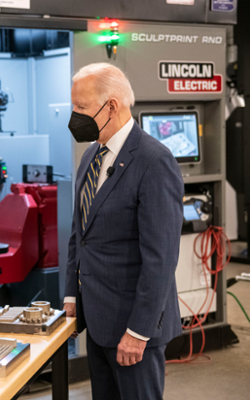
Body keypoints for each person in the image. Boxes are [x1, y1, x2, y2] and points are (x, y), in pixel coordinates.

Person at [64, 63, 183, 400]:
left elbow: (160, 259)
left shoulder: (154, 161)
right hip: (97, 320)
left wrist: (139, 331)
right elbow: (80, 234)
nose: (74, 115)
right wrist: (72, 296)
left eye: (81, 107)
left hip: (133, 329)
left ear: (111, 106)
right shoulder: (91, 155)